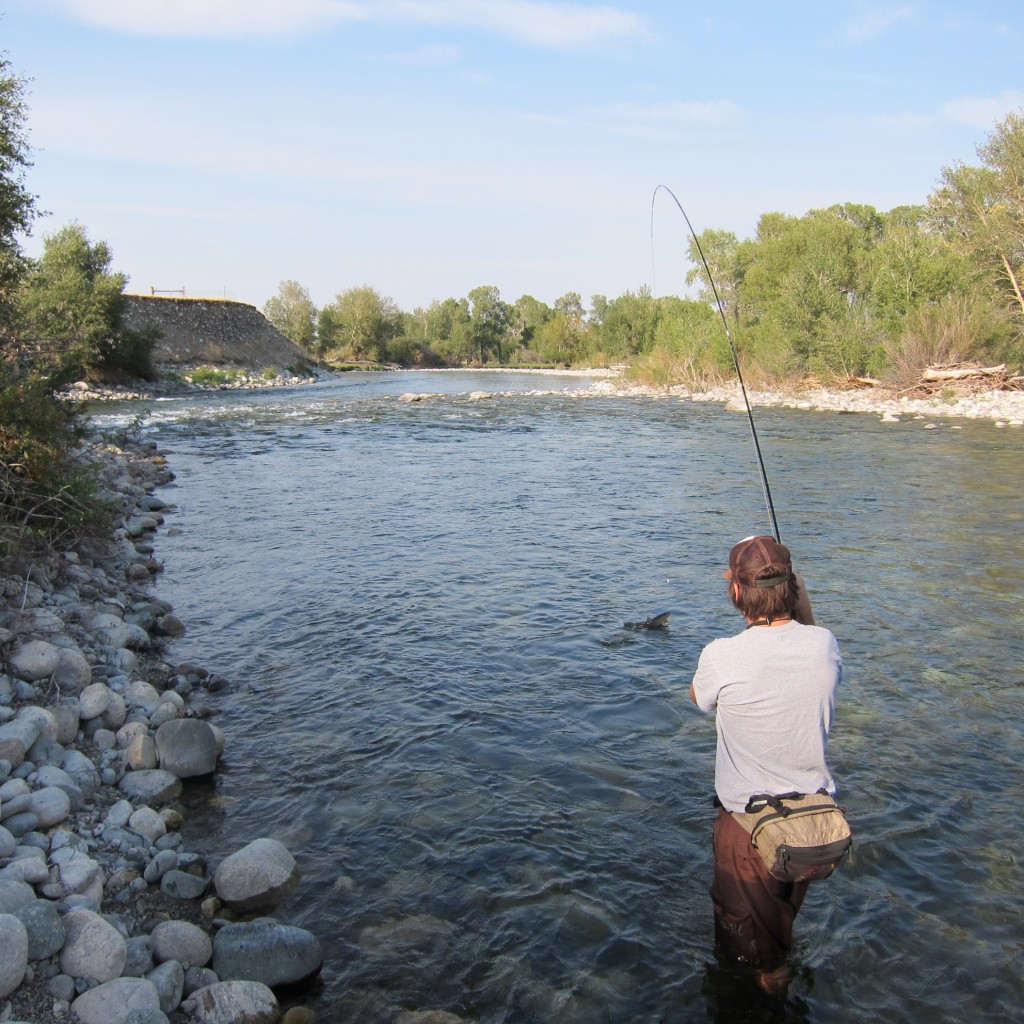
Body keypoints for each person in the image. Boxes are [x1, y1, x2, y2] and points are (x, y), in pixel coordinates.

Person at [689, 535, 841, 985]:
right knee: (779, 932)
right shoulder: (824, 644)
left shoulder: (722, 654)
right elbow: (811, 633)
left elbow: (699, 698)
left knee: (759, 960)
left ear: (736, 592)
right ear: (792, 587)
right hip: (812, 824)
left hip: (749, 834)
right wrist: (801, 598)